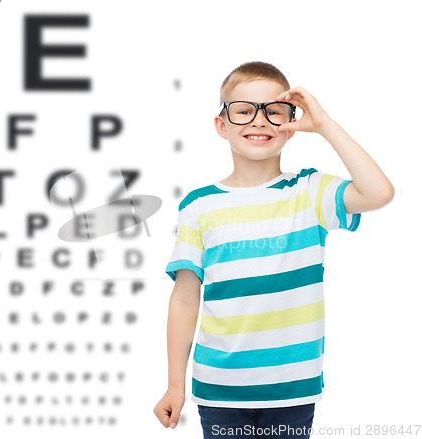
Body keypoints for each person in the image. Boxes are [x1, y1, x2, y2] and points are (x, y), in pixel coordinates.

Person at [153, 61, 394, 438]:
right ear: (222, 124)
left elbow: (379, 193)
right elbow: (184, 299)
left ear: (291, 125)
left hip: (292, 388)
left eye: (274, 112)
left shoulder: (310, 192)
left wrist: (325, 125)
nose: (259, 121)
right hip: (220, 388)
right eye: (244, 111)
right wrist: (174, 384)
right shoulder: (198, 206)